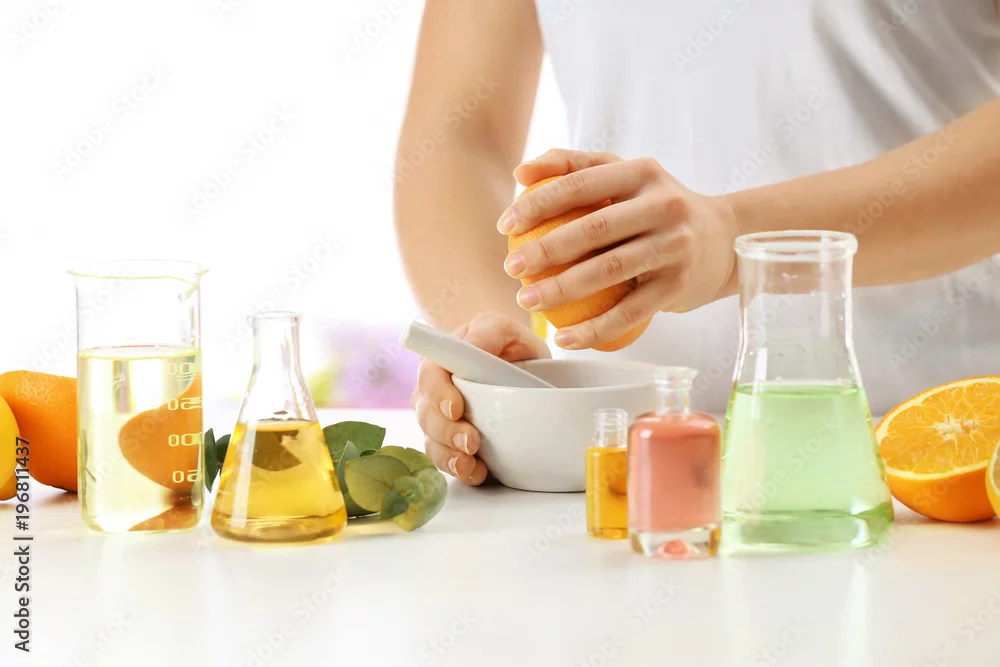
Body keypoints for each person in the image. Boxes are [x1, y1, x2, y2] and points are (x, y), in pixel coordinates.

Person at [394, 0, 1000, 486]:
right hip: (633, 466)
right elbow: (458, 136)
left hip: (949, 453)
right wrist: (499, 352)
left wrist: (736, 238)